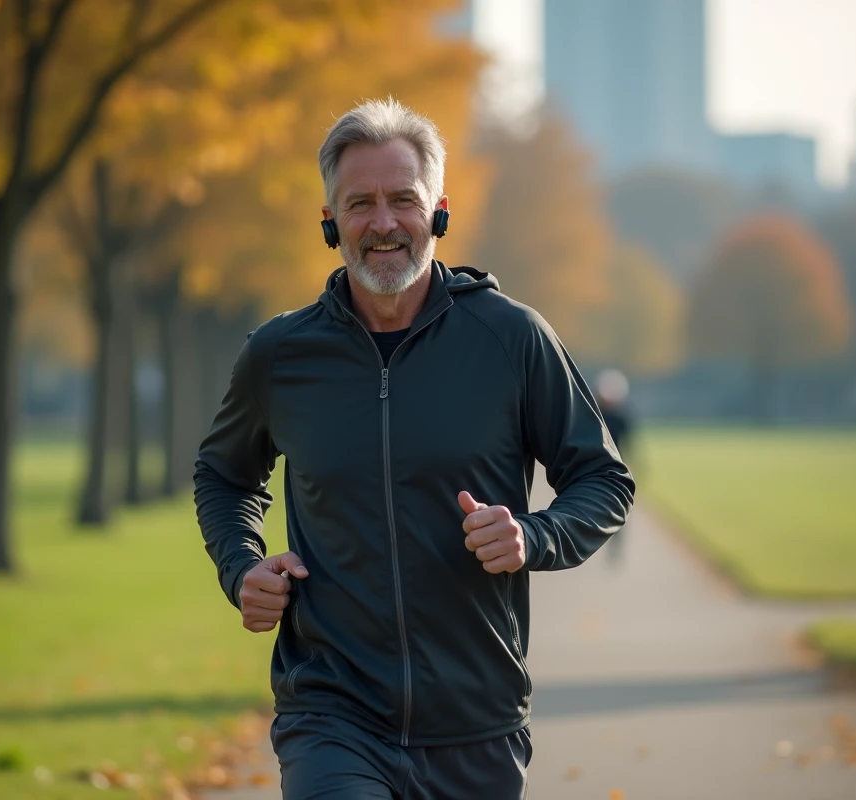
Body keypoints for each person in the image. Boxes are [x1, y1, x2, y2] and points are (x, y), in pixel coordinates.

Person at [194, 98, 635, 800]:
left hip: (476, 722)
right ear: (329, 221)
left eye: (403, 199)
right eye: (360, 203)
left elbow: (603, 479)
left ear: (439, 211)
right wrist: (240, 566)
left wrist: (533, 535)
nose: (383, 223)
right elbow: (222, 476)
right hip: (330, 713)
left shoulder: (511, 338)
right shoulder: (281, 355)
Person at [593, 369, 637, 566]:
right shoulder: (594, 415)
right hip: (595, 468)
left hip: (618, 469)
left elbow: (630, 445)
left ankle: (615, 548)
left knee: (619, 511)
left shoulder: (621, 418)